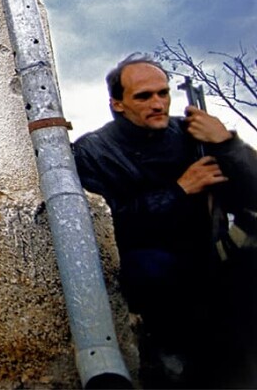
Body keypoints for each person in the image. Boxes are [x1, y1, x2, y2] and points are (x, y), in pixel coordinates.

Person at [72, 54, 257, 388]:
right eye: (143, 96)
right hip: (150, 269)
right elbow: (107, 227)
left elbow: (253, 194)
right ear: (118, 104)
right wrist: (178, 191)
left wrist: (227, 144)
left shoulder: (194, 134)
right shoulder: (92, 152)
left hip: (213, 254)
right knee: (152, 268)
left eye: (163, 93)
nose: (157, 103)